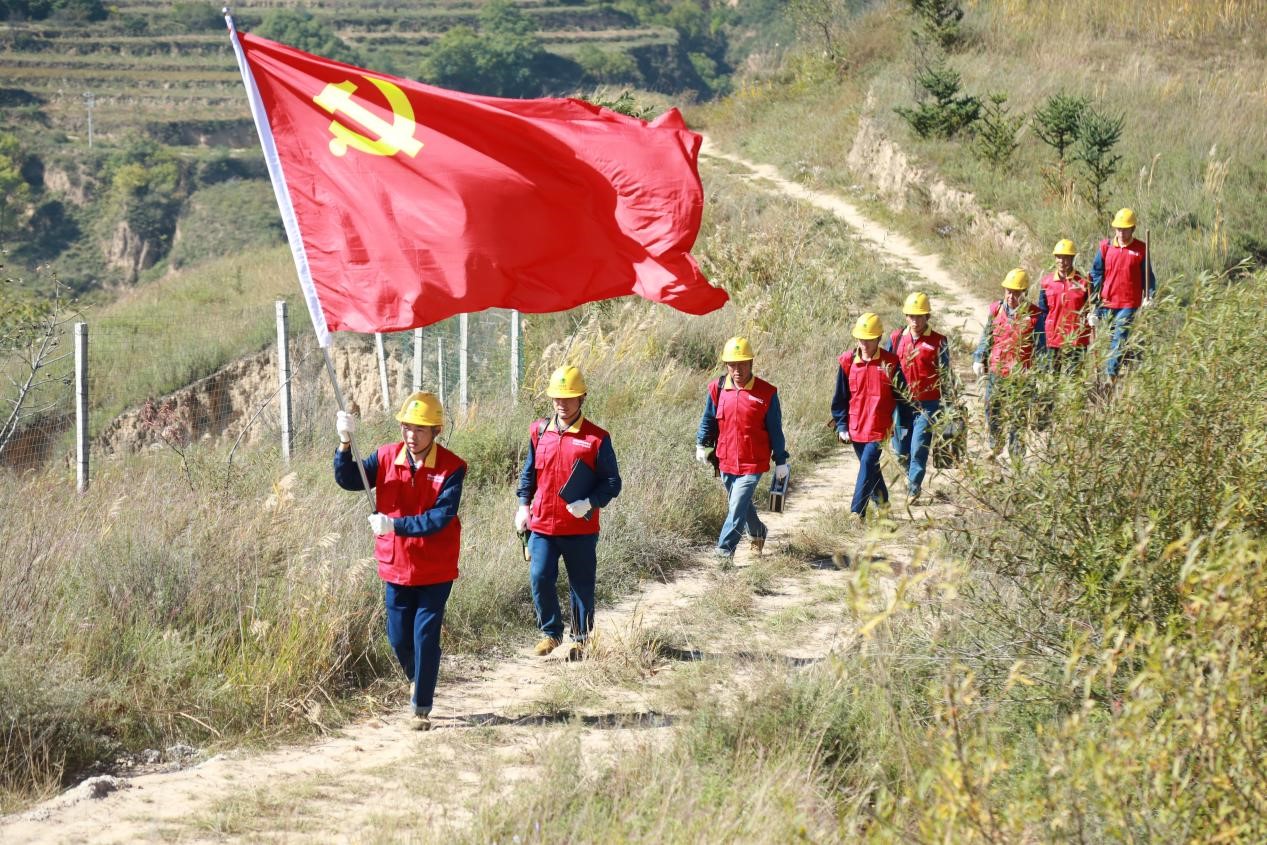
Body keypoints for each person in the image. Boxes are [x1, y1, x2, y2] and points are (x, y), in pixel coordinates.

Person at [333, 392, 466, 731]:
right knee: (397, 637)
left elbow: (441, 517)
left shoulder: (452, 467)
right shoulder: (386, 457)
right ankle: (417, 677)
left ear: (436, 430)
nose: (411, 435)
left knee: (424, 635)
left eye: (419, 429)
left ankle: (421, 707)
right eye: (407, 427)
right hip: (395, 565)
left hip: (435, 568)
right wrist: (345, 443)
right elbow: (350, 479)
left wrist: (395, 524)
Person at [515, 365, 621, 662]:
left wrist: (590, 501)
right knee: (539, 576)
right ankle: (550, 632)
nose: (562, 403)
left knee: (581, 583)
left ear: (582, 398)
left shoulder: (597, 438)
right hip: (543, 526)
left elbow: (612, 482)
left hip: (579, 530)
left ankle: (581, 638)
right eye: (557, 398)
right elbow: (528, 474)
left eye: (569, 397)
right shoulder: (539, 431)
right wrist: (524, 505)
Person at [695, 336, 790, 563]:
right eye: (732, 365)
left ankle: (724, 554)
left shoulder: (766, 393)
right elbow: (708, 420)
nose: (737, 370)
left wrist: (781, 460)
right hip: (725, 460)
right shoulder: (717, 389)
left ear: (751, 363)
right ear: (726, 365)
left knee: (736, 507)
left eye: (742, 364)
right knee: (741, 504)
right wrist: (701, 444)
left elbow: (775, 430)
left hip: (753, 463)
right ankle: (758, 532)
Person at [832, 313, 910, 518]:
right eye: (861, 339)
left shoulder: (891, 363)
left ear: (879, 338)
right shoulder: (847, 362)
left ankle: (856, 512)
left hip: (880, 428)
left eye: (870, 339)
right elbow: (839, 399)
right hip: (856, 428)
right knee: (871, 470)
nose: (865, 343)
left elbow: (903, 398)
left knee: (867, 464)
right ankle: (884, 510)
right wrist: (842, 426)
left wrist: (904, 427)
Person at [886, 292, 951, 503]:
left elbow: (946, 375)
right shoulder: (896, 338)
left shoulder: (939, 341)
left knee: (919, 447)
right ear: (906, 316)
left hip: (927, 405)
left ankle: (914, 487)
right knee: (901, 450)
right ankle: (908, 474)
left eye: (920, 316)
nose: (916, 321)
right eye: (912, 316)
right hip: (901, 405)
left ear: (928, 317)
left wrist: (949, 406)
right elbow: (885, 369)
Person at [973, 268, 1041, 457]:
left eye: (1016, 292)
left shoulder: (1035, 316)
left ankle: (1016, 456)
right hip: (997, 372)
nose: (1011, 296)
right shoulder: (996, 310)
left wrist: (1041, 373)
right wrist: (979, 358)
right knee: (991, 409)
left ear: (1024, 293)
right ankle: (996, 443)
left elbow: (1042, 348)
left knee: (1018, 416)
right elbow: (987, 336)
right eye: (1008, 291)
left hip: (1021, 376)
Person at [1089, 208, 1156, 381]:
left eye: (1125, 229)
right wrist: (1094, 306)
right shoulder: (1106, 247)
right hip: (1107, 303)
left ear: (1133, 228)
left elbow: (1148, 276)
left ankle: (1110, 378)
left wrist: (1150, 296)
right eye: (1118, 228)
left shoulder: (1141, 249)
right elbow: (1096, 272)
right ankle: (1128, 362)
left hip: (1128, 304)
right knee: (1115, 341)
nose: (1121, 232)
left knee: (1118, 339)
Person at [1036, 239, 1093, 372]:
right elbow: (1042, 312)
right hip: (1053, 339)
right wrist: (1041, 338)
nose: (1061, 261)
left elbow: (1094, 305)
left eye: (1066, 257)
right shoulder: (1046, 282)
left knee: (1074, 380)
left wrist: (1093, 315)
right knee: (1052, 378)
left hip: (1077, 340)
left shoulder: (1084, 282)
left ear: (1073, 258)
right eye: (1058, 257)